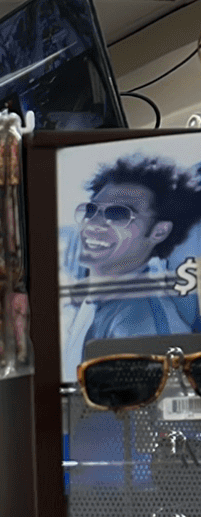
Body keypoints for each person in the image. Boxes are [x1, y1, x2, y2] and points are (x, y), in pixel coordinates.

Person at [60, 151, 201, 376]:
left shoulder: (142, 327)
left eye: (118, 214)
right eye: (92, 210)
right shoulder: (99, 299)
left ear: (159, 231)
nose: (94, 223)